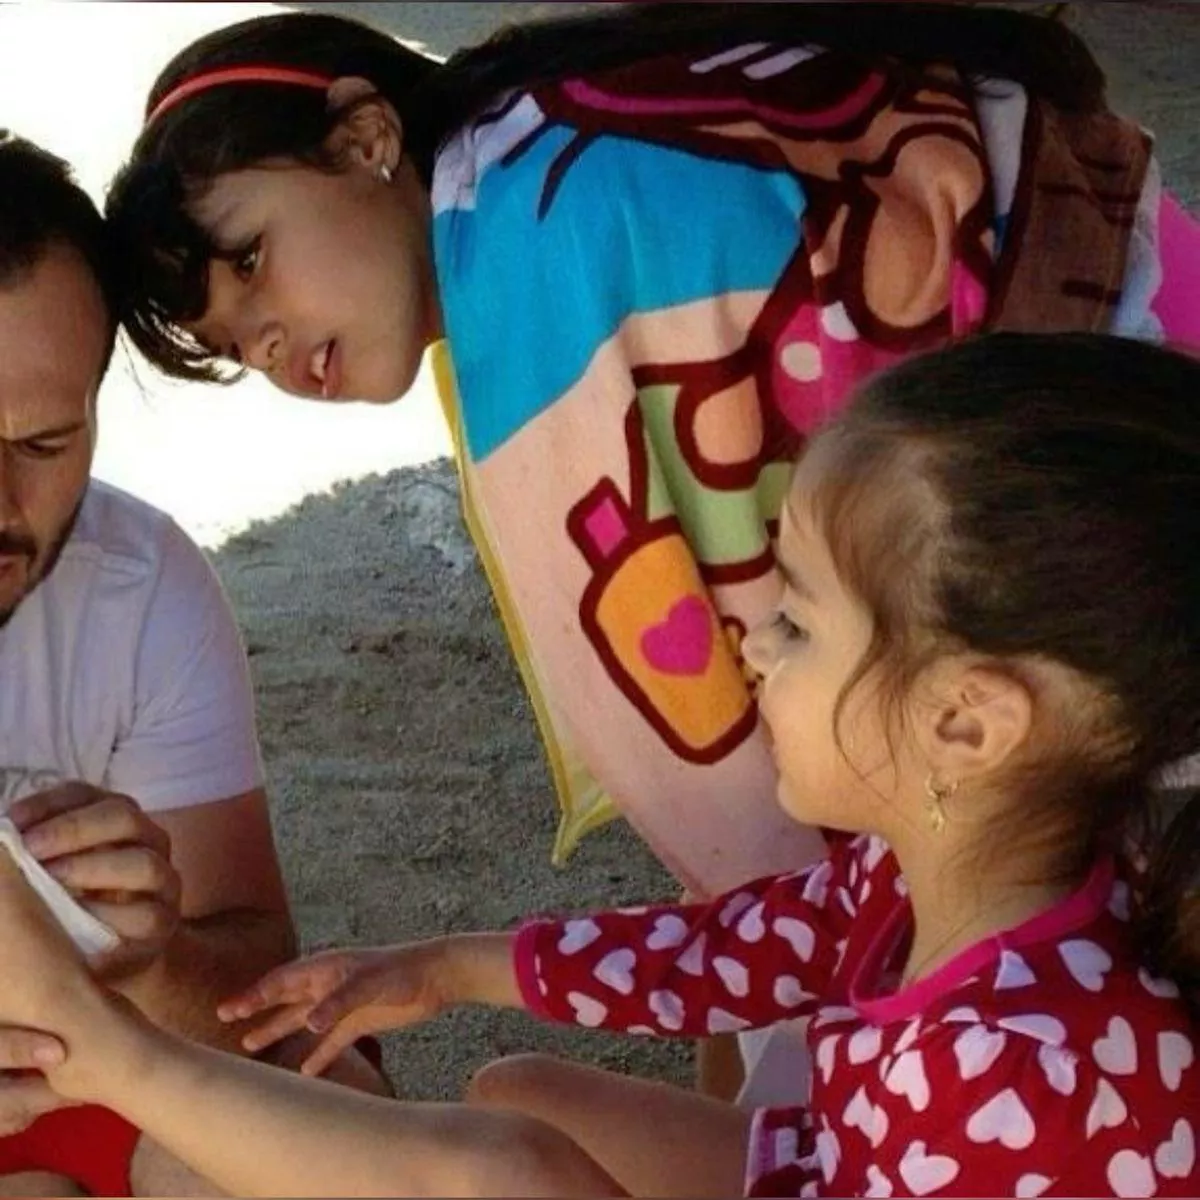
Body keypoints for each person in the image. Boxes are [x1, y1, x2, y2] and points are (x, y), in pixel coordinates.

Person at [104, 2, 1200, 1101]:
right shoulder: (534, 150)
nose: (275, 345)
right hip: (1132, 361)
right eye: (237, 347)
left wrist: (770, 965)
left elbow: (737, 762)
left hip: (1130, 527)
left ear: (364, 137)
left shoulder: (532, 243)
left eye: (253, 263)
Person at [0, 332, 1197, 1198]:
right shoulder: (959, 869)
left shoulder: (1013, 1072)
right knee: (523, 1092)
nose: (749, 640)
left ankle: (114, 1057)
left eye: (799, 622)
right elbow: (741, 949)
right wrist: (455, 967)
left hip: (871, 1166)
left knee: (496, 1170)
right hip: (838, 1165)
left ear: (966, 725)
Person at [0, 132, 383, 1199]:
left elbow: (265, 990)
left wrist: (152, 957)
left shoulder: (140, 584)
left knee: (344, 1125)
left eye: (41, 445)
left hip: (94, 1083)